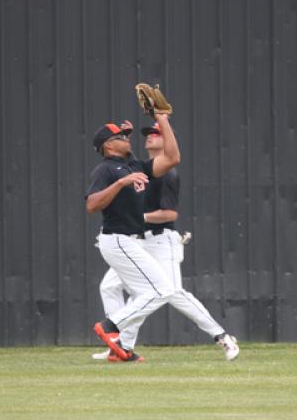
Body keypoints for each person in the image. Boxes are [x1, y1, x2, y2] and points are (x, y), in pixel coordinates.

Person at [93, 122, 240, 362]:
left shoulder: (166, 173)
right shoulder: (135, 167)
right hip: (137, 241)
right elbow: (123, 159)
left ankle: (222, 336)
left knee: (169, 292)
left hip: (162, 240)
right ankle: (120, 346)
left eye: (157, 134)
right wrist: (125, 135)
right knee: (113, 287)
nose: (150, 136)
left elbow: (170, 214)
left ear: (167, 138)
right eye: (147, 134)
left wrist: (163, 120)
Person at [86, 114, 180, 361]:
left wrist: (163, 120)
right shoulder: (105, 170)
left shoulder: (135, 166)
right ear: (108, 145)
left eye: (127, 135)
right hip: (117, 240)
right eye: (121, 137)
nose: (128, 138)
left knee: (147, 293)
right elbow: (92, 205)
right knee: (162, 290)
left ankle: (123, 349)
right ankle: (110, 327)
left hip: (130, 241)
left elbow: (172, 158)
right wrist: (120, 183)